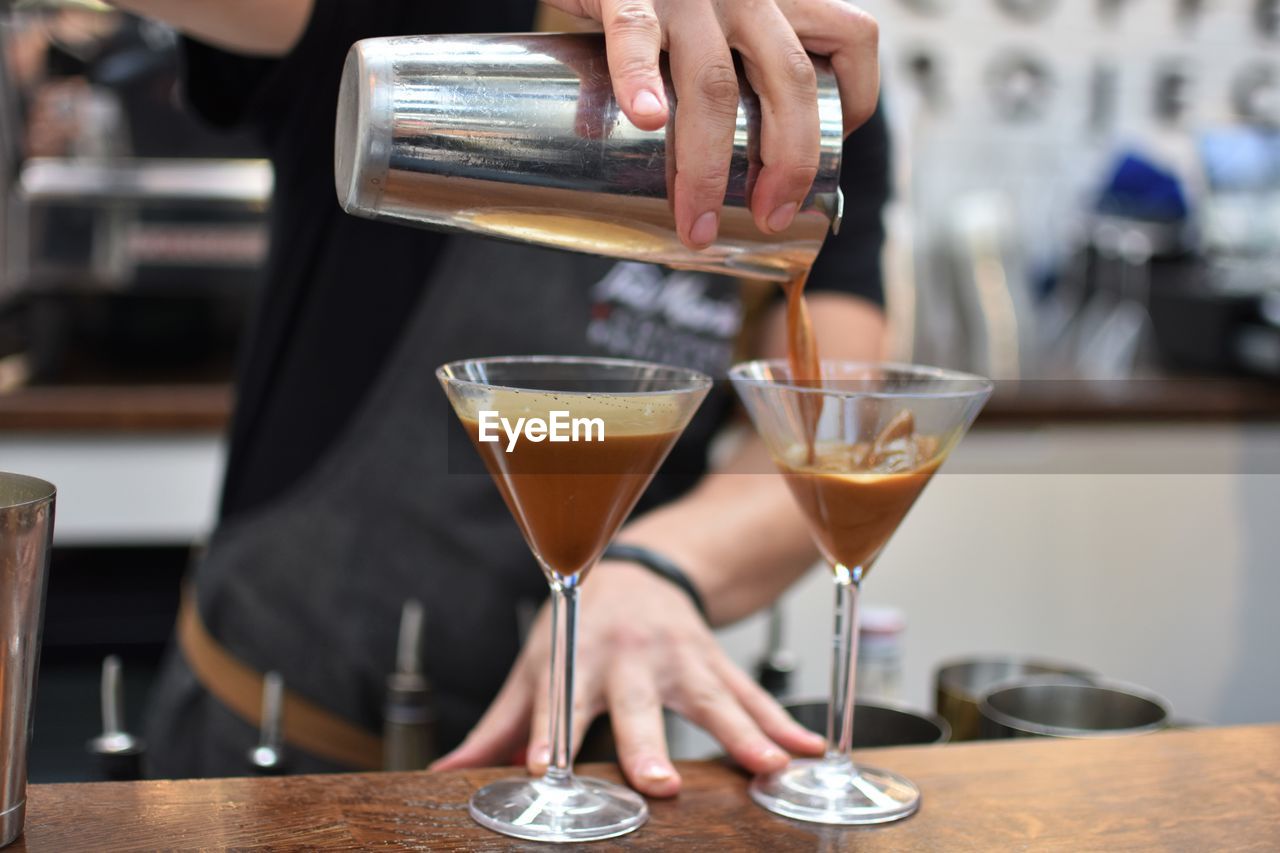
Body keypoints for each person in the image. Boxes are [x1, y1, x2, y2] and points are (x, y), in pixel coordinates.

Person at [114, 0, 890, 796]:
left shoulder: (802, 89)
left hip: (596, 775)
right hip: (275, 759)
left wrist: (660, 566)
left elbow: (825, 439)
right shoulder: (423, 20)